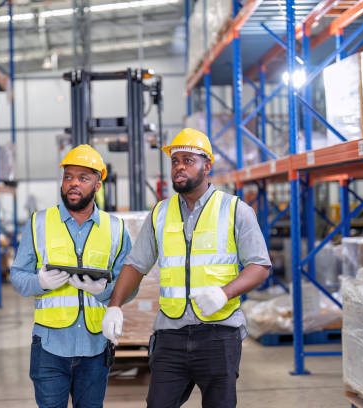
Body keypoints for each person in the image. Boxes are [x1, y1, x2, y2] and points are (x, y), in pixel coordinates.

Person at [102, 128, 271, 408]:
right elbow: (136, 265)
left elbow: (260, 266)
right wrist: (114, 305)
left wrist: (224, 293)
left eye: (187, 160)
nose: (179, 167)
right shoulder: (160, 213)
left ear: (207, 166)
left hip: (219, 333)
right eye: (175, 161)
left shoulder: (235, 210)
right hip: (170, 334)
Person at [10, 144, 132, 408]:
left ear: (98, 185)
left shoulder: (117, 229)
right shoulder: (38, 222)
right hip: (50, 347)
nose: (73, 184)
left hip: (96, 346)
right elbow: (18, 276)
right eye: (68, 177)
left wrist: (106, 294)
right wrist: (39, 283)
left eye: (83, 178)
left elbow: (129, 283)